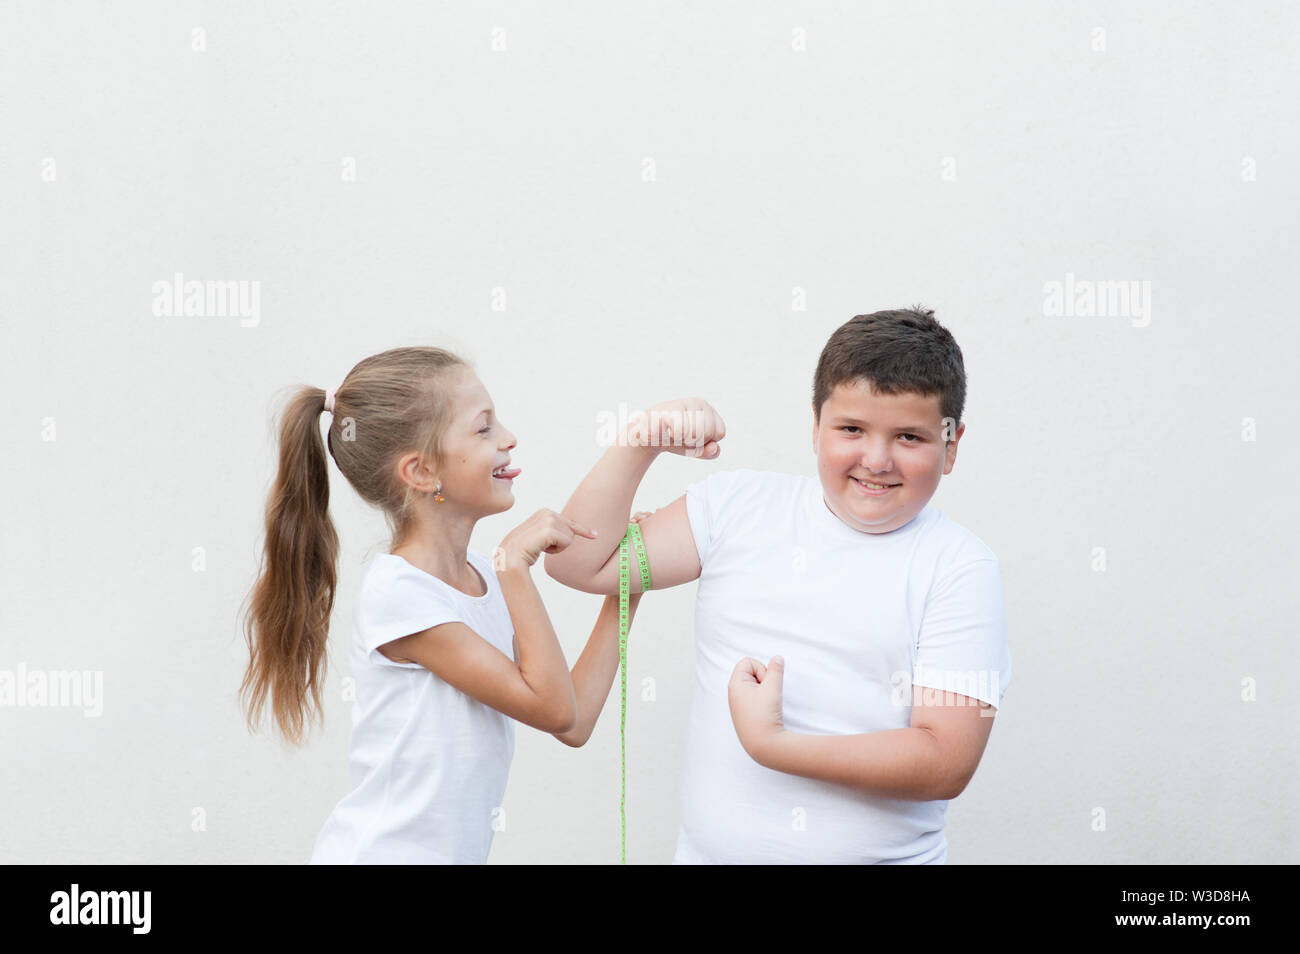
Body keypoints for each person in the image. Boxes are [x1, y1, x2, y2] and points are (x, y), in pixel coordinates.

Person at [544, 306, 1013, 864]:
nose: (877, 459)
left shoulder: (961, 568)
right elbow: (579, 565)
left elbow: (944, 761)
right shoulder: (736, 507)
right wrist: (641, 441)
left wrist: (773, 745)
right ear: (816, 427)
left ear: (951, 445)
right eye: (851, 429)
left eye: (909, 436)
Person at [237, 345, 642, 863]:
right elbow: (555, 706)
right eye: (483, 428)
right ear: (422, 472)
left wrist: (625, 591)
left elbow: (573, 720)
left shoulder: (482, 581)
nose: (509, 439)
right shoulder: (401, 596)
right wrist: (513, 565)